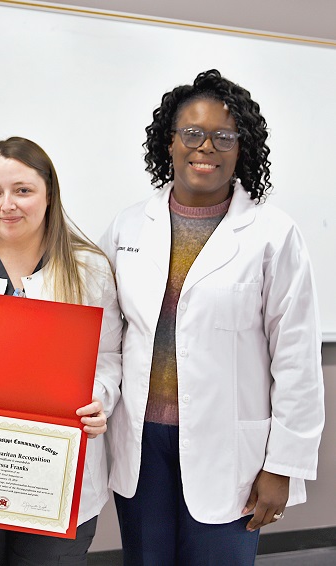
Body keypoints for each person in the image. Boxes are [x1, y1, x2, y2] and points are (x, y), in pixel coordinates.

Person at [99, 69, 325, 565]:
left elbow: (296, 359)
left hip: (231, 449)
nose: (206, 147)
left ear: (242, 147)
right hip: (142, 439)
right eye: (192, 133)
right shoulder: (127, 225)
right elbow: (105, 335)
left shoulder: (273, 234)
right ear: (170, 141)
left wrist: (282, 466)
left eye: (224, 136)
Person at [0, 137, 123, 565]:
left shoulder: (90, 270)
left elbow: (109, 358)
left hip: (57, 473)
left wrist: (98, 398)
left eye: (23, 191)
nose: (7, 204)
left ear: (49, 195)